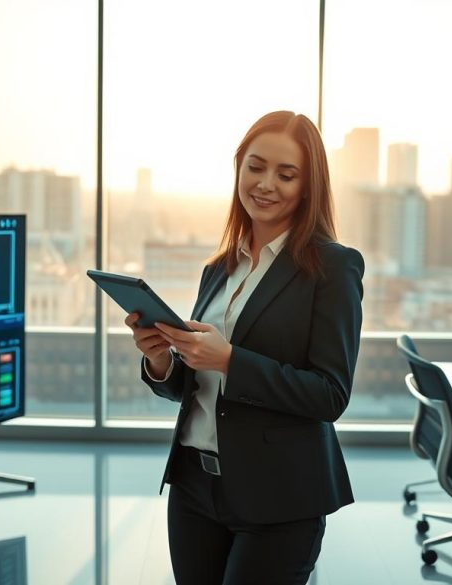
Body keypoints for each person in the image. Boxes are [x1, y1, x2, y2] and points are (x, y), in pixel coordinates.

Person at [124, 111, 364, 585]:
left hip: (279, 496)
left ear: (308, 185)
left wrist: (230, 360)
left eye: (286, 174)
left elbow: (330, 395)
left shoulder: (333, 268)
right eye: (255, 167)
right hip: (194, 486)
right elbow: (195, 385)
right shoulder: (219, 268)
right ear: (239, 168)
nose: (265, 184)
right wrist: (159, 360)